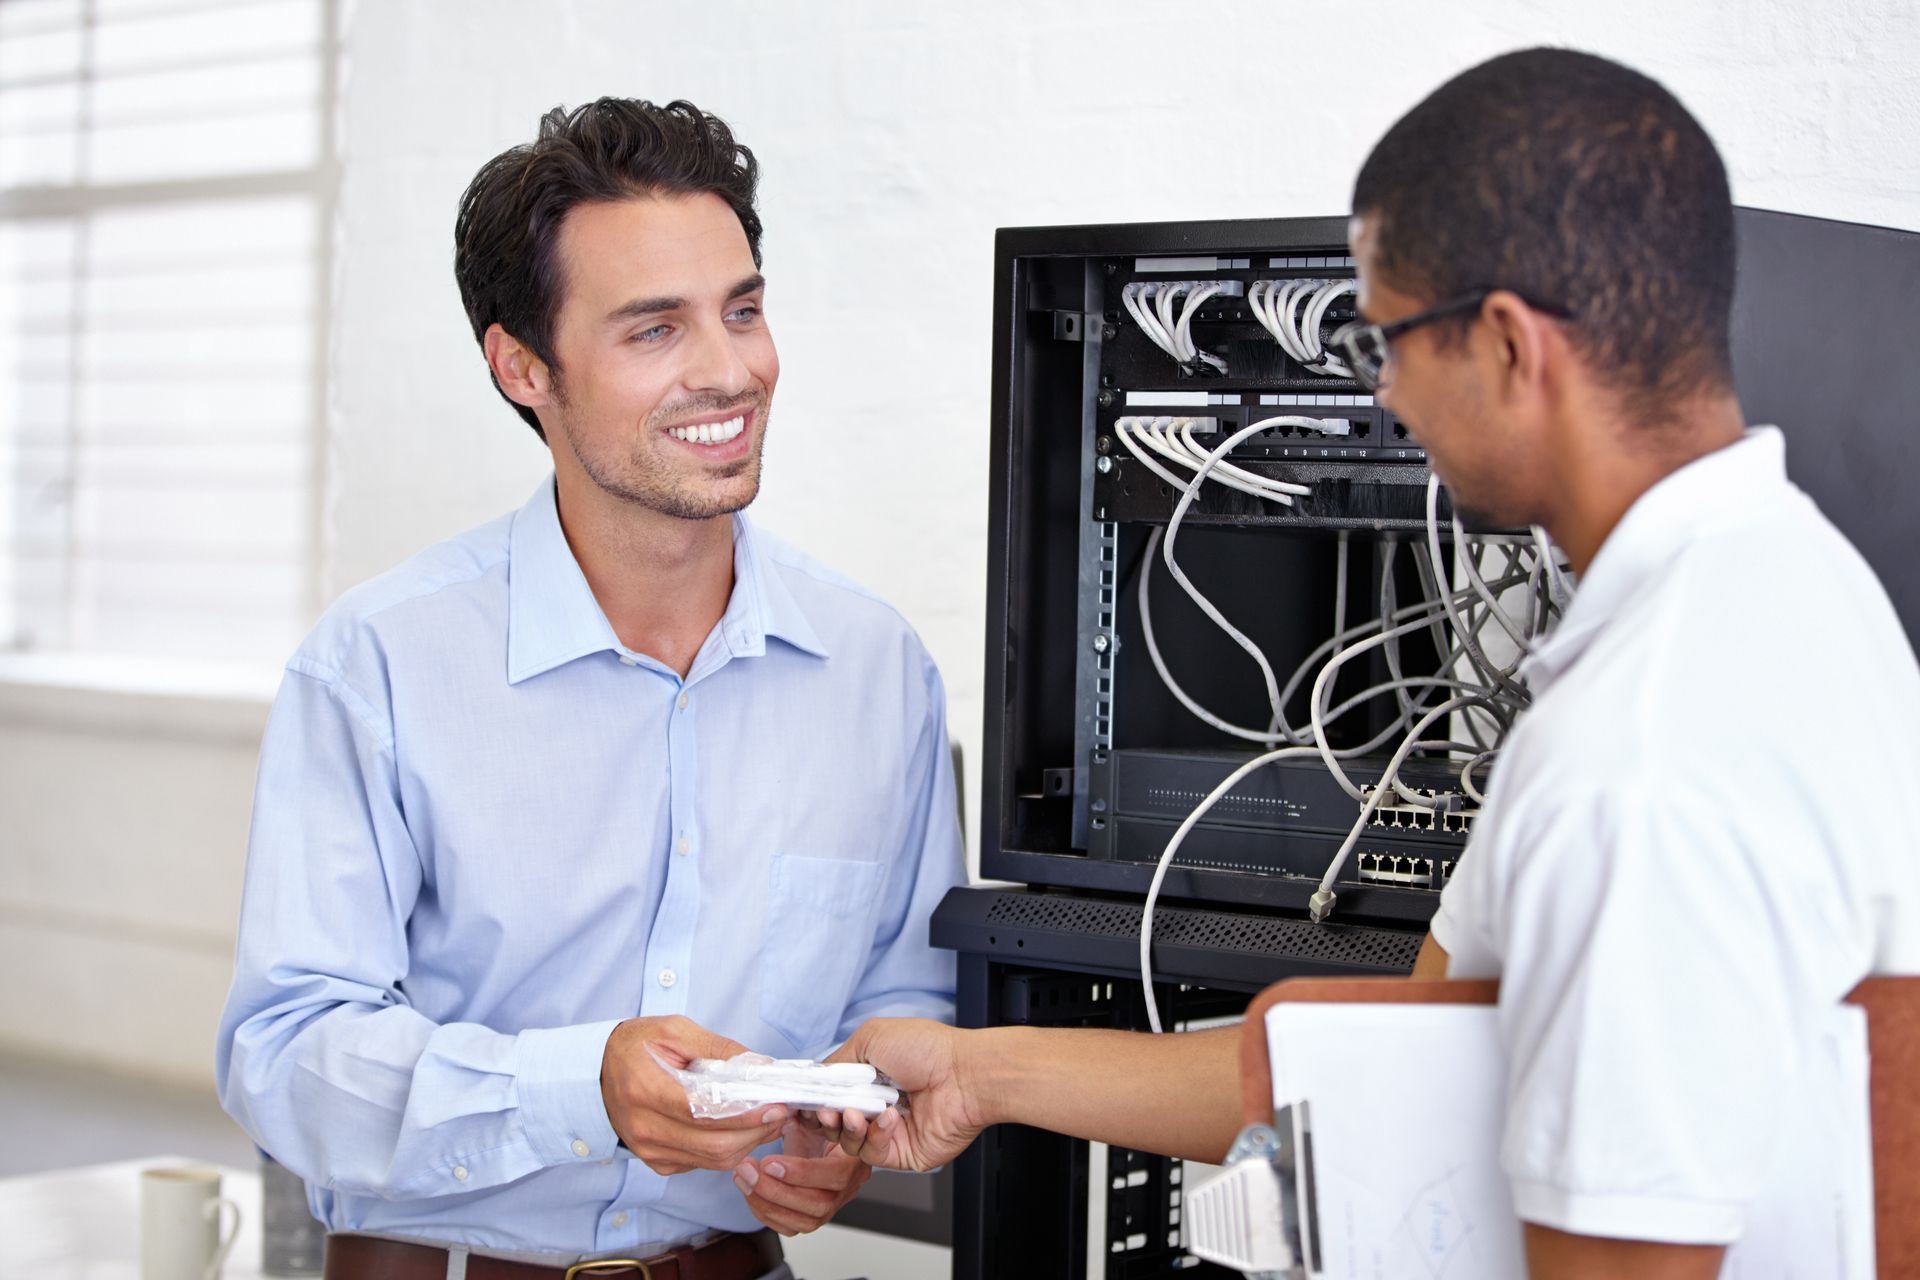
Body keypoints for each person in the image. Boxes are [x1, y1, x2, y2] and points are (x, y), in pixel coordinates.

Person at [821, 47, 1920, 1280]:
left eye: (1386, 342)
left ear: (1508, 345)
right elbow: (1425, 1049)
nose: (1387, 393)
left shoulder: (1640, 747)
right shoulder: (1807, 592)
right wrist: (979, 1070)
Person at [216, 98, 967, 1280]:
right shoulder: (379, 665)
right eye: (653, 329)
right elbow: (285, 1052)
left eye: (743, 309)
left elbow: (906, 992)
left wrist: (845, 1128)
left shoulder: (878, 670)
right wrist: (578, 1088)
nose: (729, 369)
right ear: (523, 366)